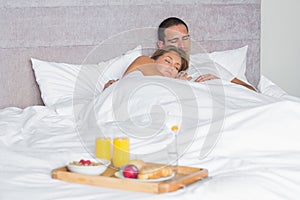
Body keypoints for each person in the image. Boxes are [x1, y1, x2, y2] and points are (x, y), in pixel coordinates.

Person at [157, 17, 256, 91]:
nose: (182, 45)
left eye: (185, 38)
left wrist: (223, 83)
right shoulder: (156, 68)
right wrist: (178, 85)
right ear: (161, 45)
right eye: (174, 40)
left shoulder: (205, 61)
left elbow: (251, 91)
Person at [103, 46, 190, 90]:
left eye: (176, 67)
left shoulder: (171, 87)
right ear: (154, 60)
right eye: (167, 61)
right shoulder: (145, 60)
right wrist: (178, 84)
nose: (171, 67)